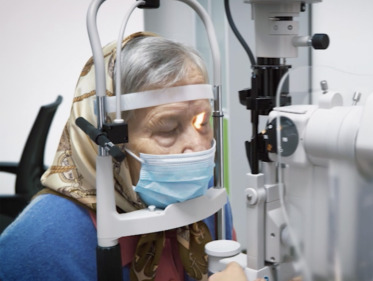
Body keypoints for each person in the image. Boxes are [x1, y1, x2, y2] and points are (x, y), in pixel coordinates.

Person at [0, 32, 234, 281]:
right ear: (109, 141)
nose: (197, 147)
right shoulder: (41, 243)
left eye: (202, 122)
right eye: (167, 129)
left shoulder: (205, 196)